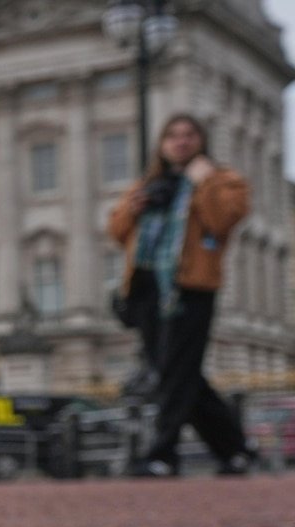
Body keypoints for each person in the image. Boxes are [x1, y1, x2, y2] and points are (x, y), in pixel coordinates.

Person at [107, 113, 256, 477]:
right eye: (172, 135)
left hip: (190, 288)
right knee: (176, 373)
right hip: (146, 288)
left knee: (175, 372)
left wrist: (201, 183)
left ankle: (162, 454)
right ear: (162, 144)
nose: (181, 141)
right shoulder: (149, 184)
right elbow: (117, 232)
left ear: (201, 141)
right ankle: (235, 449)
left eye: (189, 134)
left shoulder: (224, 180)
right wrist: (133, 208)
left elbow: (222, 221)